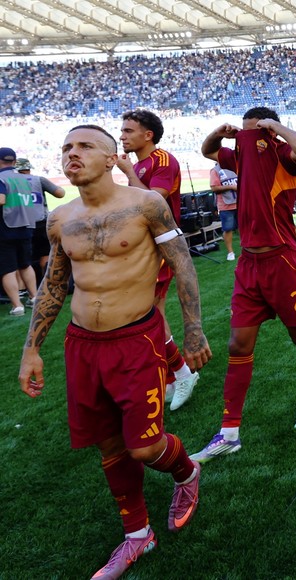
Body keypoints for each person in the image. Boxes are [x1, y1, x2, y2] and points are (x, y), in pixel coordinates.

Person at [17, 125, 212, 578]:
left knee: (143, 448)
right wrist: (32, 349)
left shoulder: (146, 204)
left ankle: (186, 474)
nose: (72, 154)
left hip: (136, 339)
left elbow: (181, 261)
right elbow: (54, 284)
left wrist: (194, 329)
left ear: (111, 159)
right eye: (67, 147)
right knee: (108, 443)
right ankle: (137, 535)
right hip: (83, 344)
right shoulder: (60, 218)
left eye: (85, 146)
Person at [192, 106, 296, 463]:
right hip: (249, 265)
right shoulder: (240, 159)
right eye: (245, 134)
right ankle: (229, 432)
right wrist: (221, 133)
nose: (249, 140)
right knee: (238, 343)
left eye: (256, 134)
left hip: (281, 260)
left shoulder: (284, 156)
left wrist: (274, 128)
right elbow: (207, 150)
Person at [117, 109, 200, 411]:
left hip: (162, 246)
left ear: (147, 134)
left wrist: (127, 174)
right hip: (145, 247)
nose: (122, 136)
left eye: (128, 130)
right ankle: (171, 376)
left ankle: (180, 372)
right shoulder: (141, 164)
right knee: (148, 312)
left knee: (150, 313)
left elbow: (155, 202)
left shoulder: (162, 161)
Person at [0, 147, 38, 316]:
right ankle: (34, 297)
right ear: (14, 161)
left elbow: (1, 200)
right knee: (25, 264)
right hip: (26, 226)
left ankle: (17, 306)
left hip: (5, 228)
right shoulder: (24, 179)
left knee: (7, 269)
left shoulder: (1, 178)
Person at [16, 157, 66, 280]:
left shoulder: (11, 182)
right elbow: (60, 193)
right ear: (29, 168)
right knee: (44, 254)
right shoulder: (39, 180)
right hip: (41, 222)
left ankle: (26, 286)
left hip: (22, 224)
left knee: (23, 258)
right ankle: (46, 281)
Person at [209, 163, 238, 261]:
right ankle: (230, 252)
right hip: (226, 206)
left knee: (245, 227)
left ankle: (247, 248)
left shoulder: (236, 165)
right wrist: (231, 187)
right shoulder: (215, 170)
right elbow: (214, 188)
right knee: (228, 229)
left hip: (241, 203)